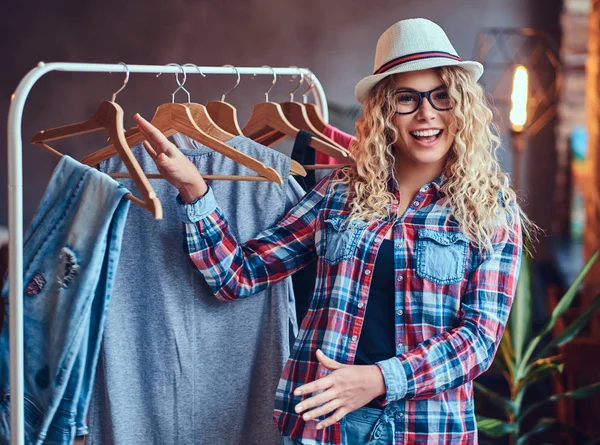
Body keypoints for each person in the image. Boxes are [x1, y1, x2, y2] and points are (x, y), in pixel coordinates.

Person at [133, 18, 532, 445]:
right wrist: (195, 190)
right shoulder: (339, 193)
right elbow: (239, 275)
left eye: (441, 96)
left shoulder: (491, 208)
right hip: (325, 427)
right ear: (384, 110)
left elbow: (479, 340)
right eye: (406, 99)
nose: (427, 113)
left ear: (461, 106)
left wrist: (379, 379)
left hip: (428, 430)